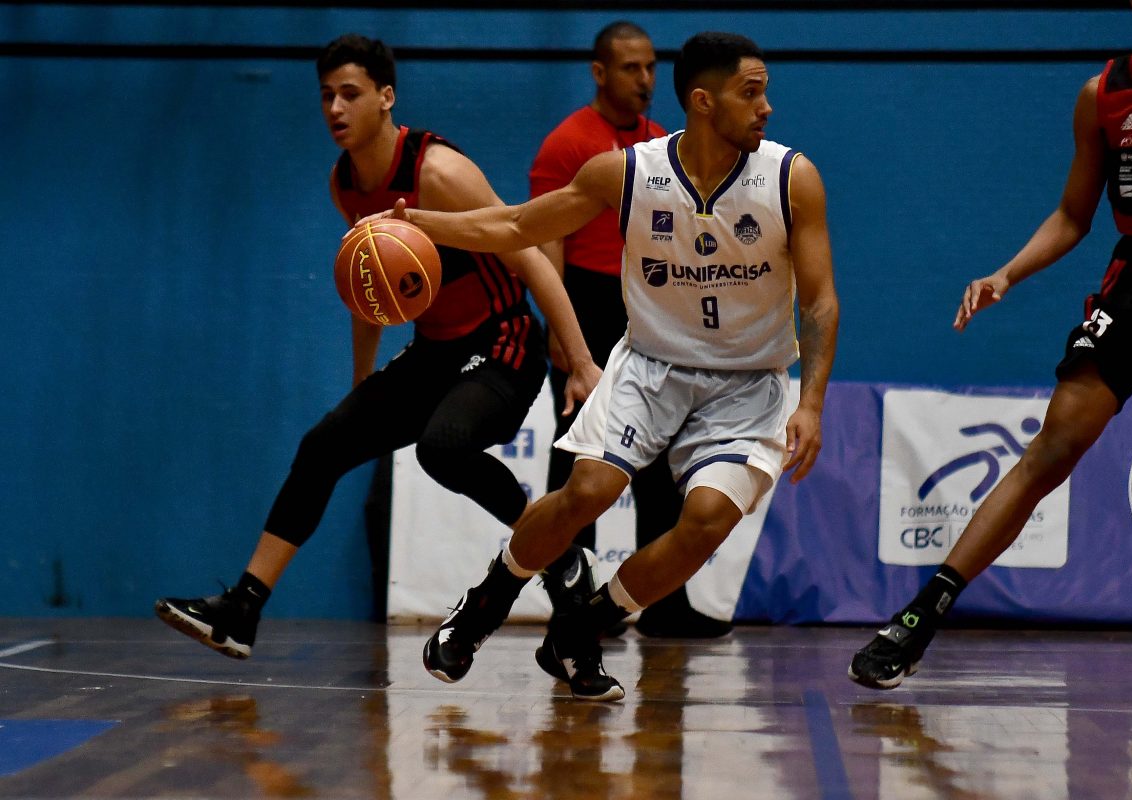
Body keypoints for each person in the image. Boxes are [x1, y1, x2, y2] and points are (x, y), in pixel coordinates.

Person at [373, 31, 840, 700]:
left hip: (748, 382)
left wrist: (812, 403)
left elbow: (819, 302)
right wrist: (418, 224)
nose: (766, 107)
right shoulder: (626, 172)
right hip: (651, 365)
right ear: (704, 102)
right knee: (587, 490)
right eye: (752, 92)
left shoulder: (793, 178)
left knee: (706, 520)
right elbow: (516, 226)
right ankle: (484, 604)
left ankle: (582, 626)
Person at [154, 34, 601, 659]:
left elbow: (528, 257)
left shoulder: (438, 173)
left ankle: (559, 553)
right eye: (326, 96)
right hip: (436, 350)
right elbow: (370, 294)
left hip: (504, 342)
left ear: (386, 97)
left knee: (443, 448)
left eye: (350, 94)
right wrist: (362, 387)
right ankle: (242, 609)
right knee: (323, 445)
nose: (335, 108)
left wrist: (579, 361)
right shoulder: (344, 183)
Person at [849, 0, 1132, 690]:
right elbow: (1073, 214)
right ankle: (919, 617)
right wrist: (1006, 274)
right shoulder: (1103, 96)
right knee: (1054, 444)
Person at [531, 21, 730, 638]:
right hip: (585, 308)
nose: (645, 79)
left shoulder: (659, 141)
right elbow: (546, 247)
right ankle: (573, 605)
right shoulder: (566, 144)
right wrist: (565, 340)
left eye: (650, 67)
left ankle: (663, 603)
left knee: (666, 461)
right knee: (581, 469)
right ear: (599, 72)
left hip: (647, 309)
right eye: (629, 68)